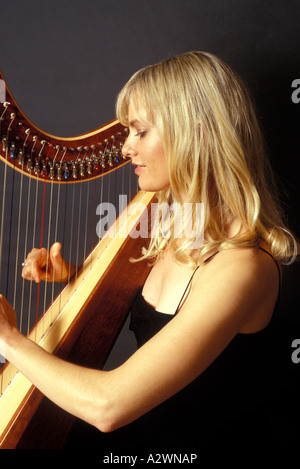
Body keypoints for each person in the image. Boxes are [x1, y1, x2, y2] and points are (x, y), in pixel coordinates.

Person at [0, 51, 298, 452]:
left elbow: (109, 406)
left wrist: (10, 341)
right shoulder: (173, 224)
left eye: (140, 132)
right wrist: (71, 275)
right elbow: (159, 311)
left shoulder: (242, 268)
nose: (125, 148)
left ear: (197, 133)